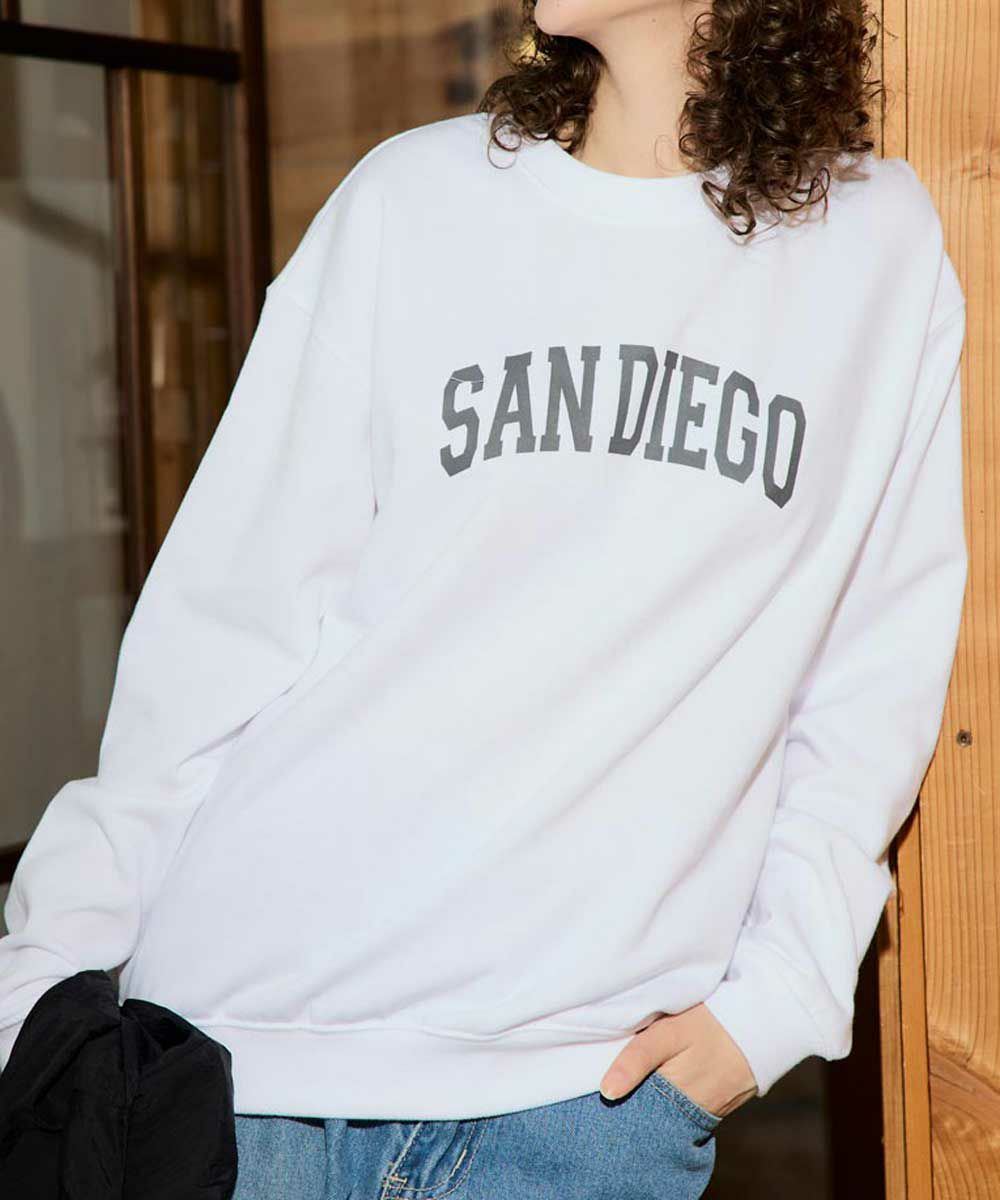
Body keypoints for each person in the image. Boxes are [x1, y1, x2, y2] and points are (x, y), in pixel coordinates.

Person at [0, 1, 968, 1196]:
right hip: (245, 1069)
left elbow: (872, 675)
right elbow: (221, 627)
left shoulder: (871, 248)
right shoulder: (412, 202)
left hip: (581, 1104)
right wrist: (44, 974)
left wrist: (772, 1008)